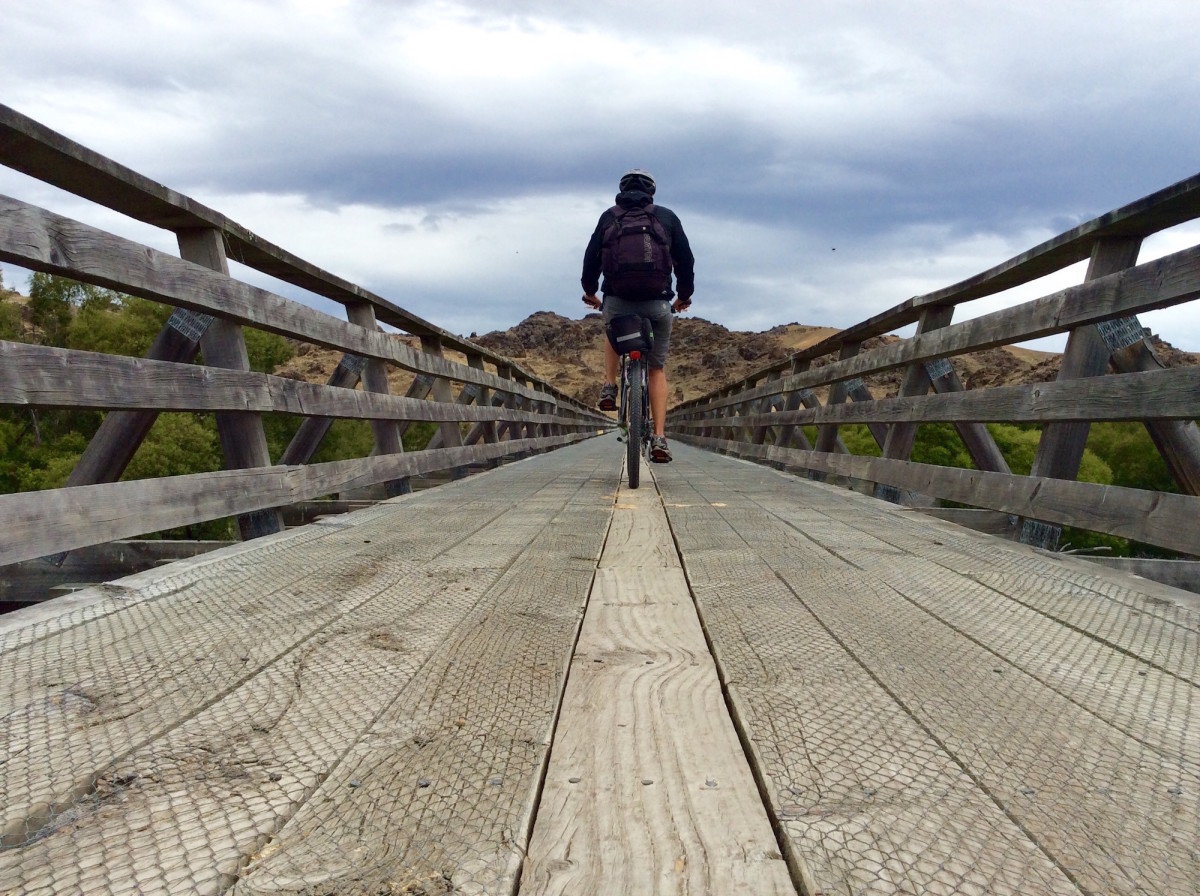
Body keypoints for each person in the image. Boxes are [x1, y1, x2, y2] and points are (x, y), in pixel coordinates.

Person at [581, 169, 694, 463]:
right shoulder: (666, 217)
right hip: (658, 304)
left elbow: (590, 258)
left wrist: (591, 292)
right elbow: (686, 261)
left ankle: (609, 383)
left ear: (621, 192)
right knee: (656, 370)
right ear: (652, 194)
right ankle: (659, 436)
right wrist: (683, 296)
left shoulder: (609, 217)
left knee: (612, 328)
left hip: (618, 302)